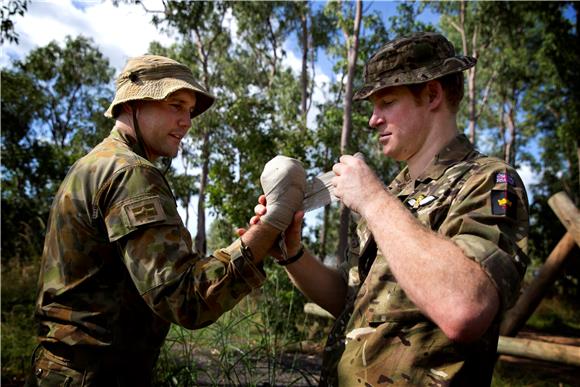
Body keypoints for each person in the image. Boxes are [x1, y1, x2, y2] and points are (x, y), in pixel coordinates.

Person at [250, 32, 529, 386]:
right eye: (371, 107)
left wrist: (372, 200)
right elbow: (354, 303)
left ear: (431, 95)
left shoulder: (487, 181)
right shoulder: (394, 193)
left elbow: (466, 309)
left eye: (386, 102)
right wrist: (292, 254)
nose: (372, 119)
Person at [28, 54, 294, 386]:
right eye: (175, 105)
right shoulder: (131, 173)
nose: (187, 121)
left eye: (189, 110)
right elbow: (186, 298)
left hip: (62, 371)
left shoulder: (93, 163)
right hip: (94, 376)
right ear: (133, 103)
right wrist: (269, 227)